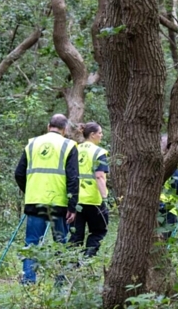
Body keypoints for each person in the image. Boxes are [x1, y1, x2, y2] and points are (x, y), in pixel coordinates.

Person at [14, 114, 79, 283]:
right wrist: (73, 206)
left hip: (34, 201)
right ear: (64, 130)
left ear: (48, 126)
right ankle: (60, 283)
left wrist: (30, 191)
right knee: (60, 244)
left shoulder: (32, 144)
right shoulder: (69, 145)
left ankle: (28, 281)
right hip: (59, 203)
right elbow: (73, 178)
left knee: (32, 244)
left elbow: (19, 173)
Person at [70, 122, 109, 257]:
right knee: (98, 231)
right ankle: (88, 259)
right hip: (94, 200)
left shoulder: (74, 149)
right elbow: (100, 177)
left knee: (75, 235)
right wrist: (105, 198)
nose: (101, 136)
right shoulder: (99, 152)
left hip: (75, 199)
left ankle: (71, 266)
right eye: (100, 133)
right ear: (92, 135)